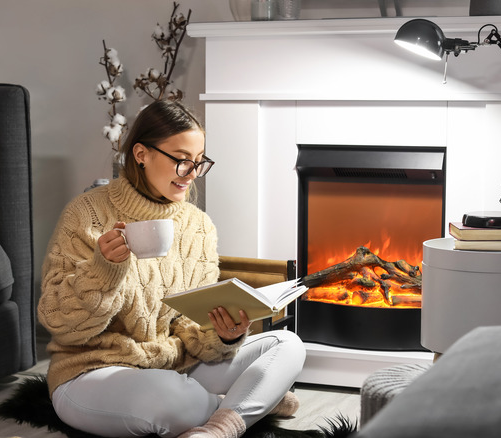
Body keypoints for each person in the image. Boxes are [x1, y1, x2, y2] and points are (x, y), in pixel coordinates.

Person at [38, 100, 306, 438]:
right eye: (181, 160)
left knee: (288, 344)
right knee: (180, 401)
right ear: (141, 154)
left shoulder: (199, 227)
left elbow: (191, 330)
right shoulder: (86, 213)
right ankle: (247, 402)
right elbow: (60, 323)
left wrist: (224, 334)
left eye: (199, 162)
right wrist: (103, 271)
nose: (192, 174)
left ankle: (218, 429)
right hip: (92, 372)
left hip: (173, 363)